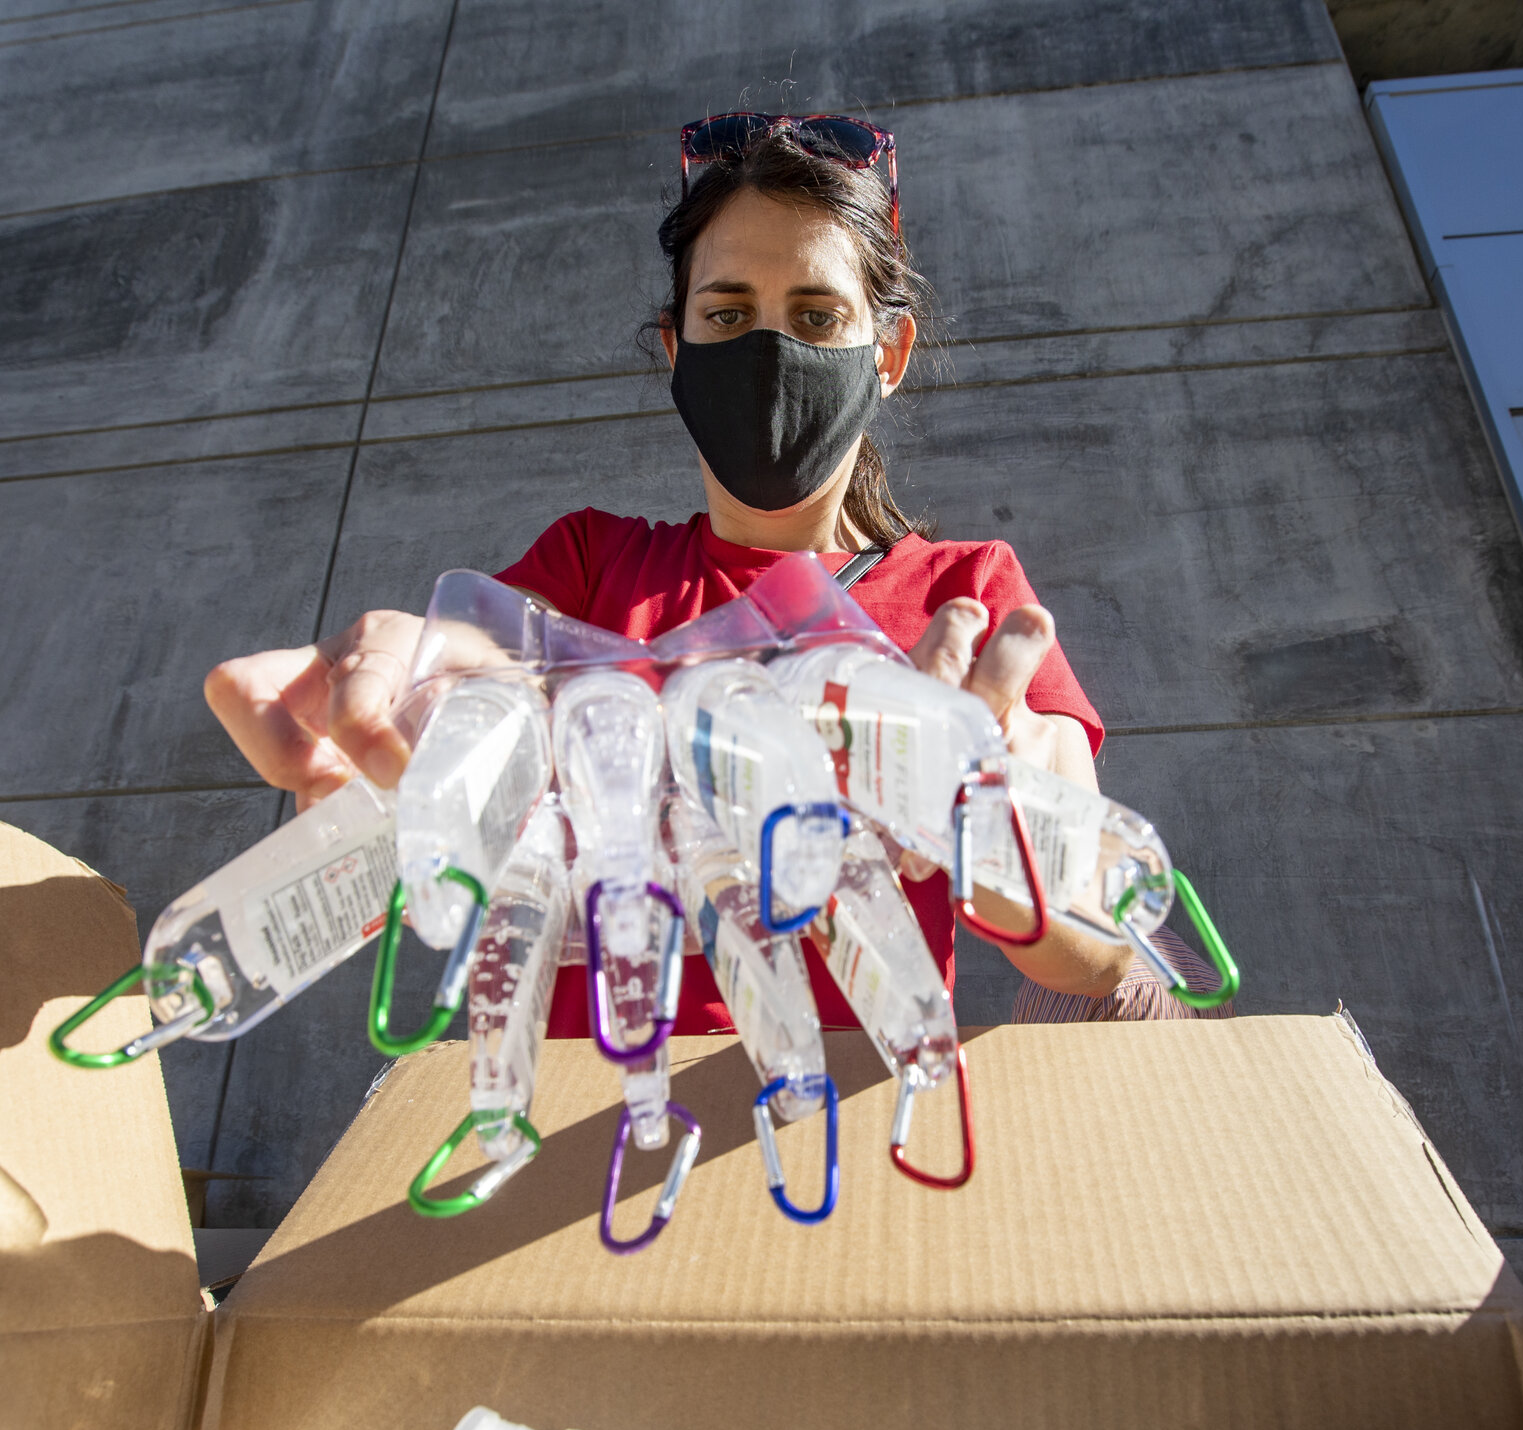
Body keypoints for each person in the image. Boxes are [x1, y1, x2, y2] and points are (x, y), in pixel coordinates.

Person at [206, 113, 1144, 1035]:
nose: (770, 352)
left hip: (850, 1144)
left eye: (817, 316)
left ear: (887, 355)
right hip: (586, 1153)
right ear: (675, 347)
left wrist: (991, 820)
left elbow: (1096, 943)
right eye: (727, 314)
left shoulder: (968, 598)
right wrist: (414, 698)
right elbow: (486, 652)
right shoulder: (590, 565)